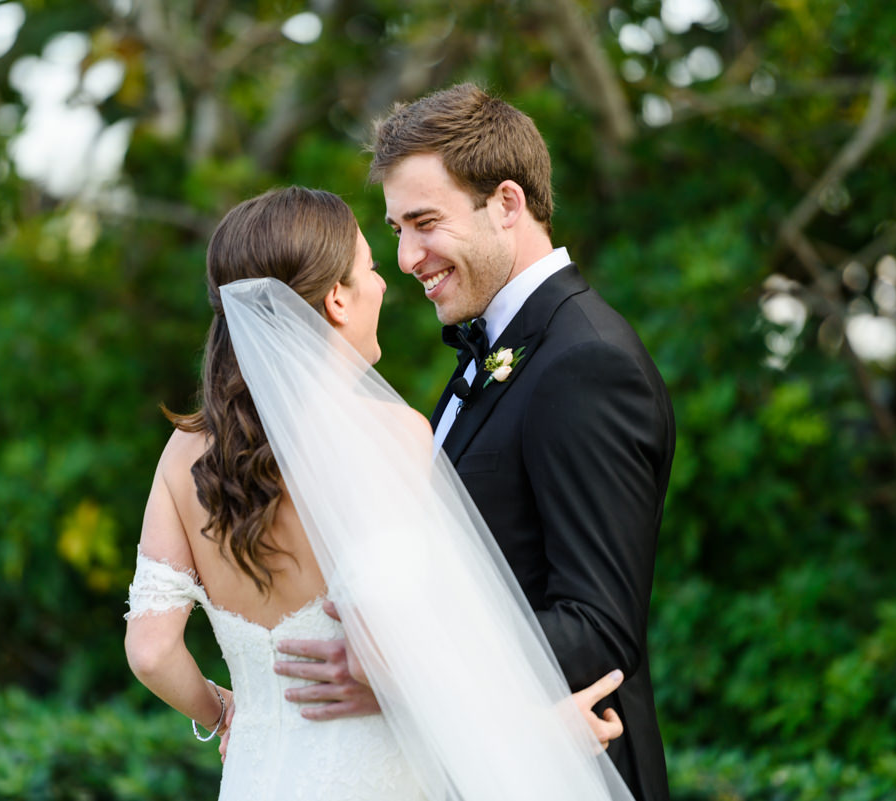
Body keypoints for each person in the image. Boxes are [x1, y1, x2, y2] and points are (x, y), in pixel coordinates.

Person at [124, 186, 633, 800]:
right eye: (369, 267)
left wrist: (226, 712)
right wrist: (530, 729)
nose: (384, 283)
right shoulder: (387, 434)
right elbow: (383, 658)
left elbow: (151, 652)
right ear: (337, 299)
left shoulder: (184, 451)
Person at [276, 85, 675, 801]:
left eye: (425, 222)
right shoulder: (495, 349)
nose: (406, 258)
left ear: (508, 204)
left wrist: (405, 671)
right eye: (397, 229)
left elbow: (597, 627)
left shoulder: (586, 362)